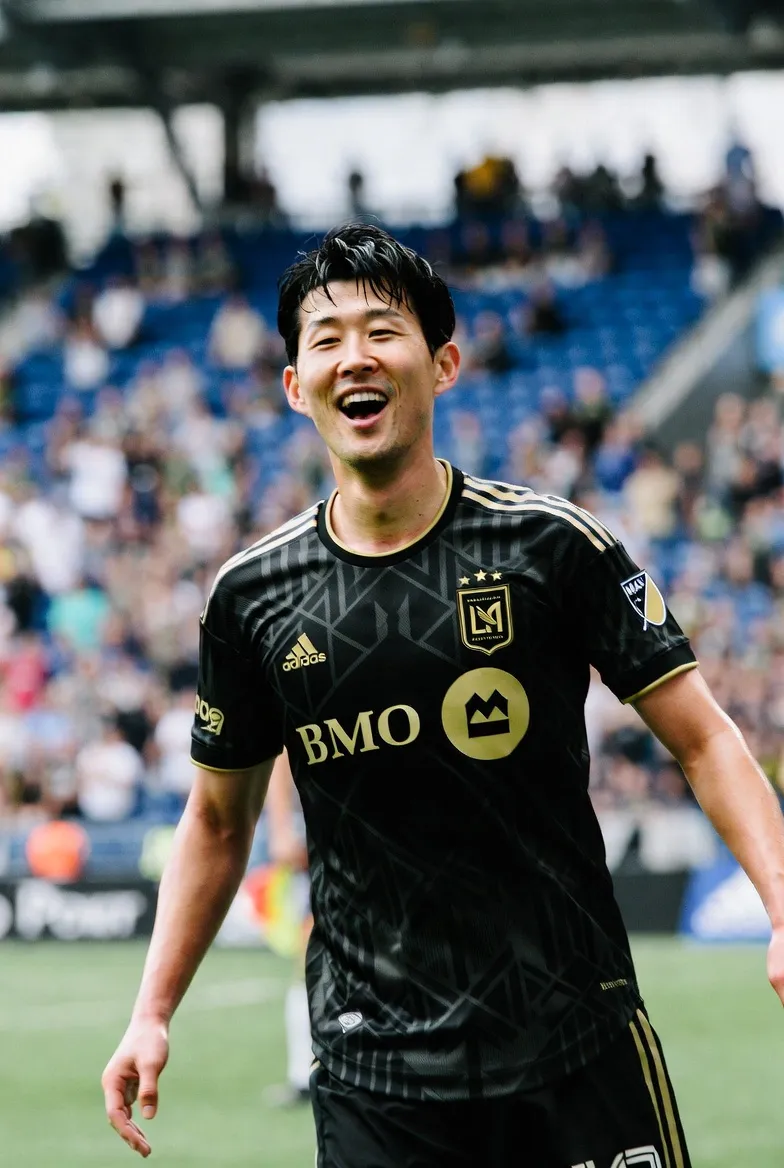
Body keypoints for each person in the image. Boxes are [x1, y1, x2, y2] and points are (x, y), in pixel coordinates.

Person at [102, 223, 784, 1166]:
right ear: (294, 386)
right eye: (326, 339)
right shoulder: (251, 597)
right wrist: (152, 1012)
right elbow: (219, 821)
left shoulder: (551, 545)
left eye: (382, 330)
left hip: (574, 1046)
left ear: (445, 362)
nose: (355, 357)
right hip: (375, 1085)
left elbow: (704, 740)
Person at [262, 749, 314, 1107]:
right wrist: (280, 827)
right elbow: (281, 751)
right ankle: (304, 1075)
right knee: (309, 959)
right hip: (319, 827)